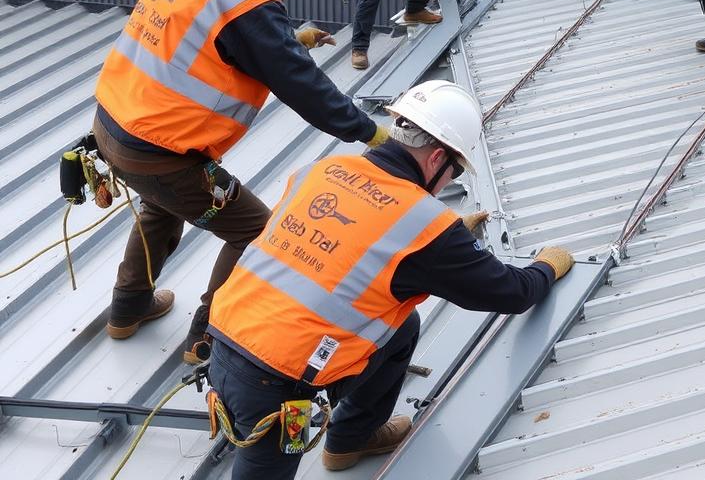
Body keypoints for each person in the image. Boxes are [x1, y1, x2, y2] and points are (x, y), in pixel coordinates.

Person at [92, 0, 390, 364]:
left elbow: (193, 35)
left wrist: (284, 39)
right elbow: (301, 86)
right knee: (257, 231)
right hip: (161, 152)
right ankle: (206, 339)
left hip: (111, 126)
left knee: (160, 206)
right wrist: (369, 133)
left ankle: (127, 309)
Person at [206, 80, 574, 478]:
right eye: (453, 172)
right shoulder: (427, 228)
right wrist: (546, 267)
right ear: (436, 159)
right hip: (273, 390)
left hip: (223, 338)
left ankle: (351, 439)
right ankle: (343, 440)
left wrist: (447, 242)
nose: (448, 182)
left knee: (401, 325)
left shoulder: (326, 169)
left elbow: (342, 241)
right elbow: (510, 292)